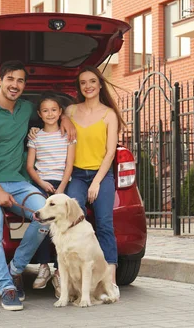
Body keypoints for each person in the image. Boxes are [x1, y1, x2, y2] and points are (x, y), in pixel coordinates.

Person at [0, 60, 75, 311]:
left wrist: (66, 119)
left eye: (20, 81)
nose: (15, 85)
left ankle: (16, 268)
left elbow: (55, 108)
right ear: (0, 81)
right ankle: (6, 286)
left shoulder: (26, 108)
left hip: (18, 181)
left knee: (48, 217)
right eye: (10, 79)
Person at [64, 65, 125, 298]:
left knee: (104, 223)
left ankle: (110, 281)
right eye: (83, 83)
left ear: (100, 84)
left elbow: (110, 153)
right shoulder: (70, 110)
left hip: (101, 175)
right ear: (79, 87)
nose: (88, 86)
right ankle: (69, 277)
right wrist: (63, 120)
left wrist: (97, 182)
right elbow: (56, 119)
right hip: (77, 175)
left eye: (92, 81)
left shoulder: (109, 114)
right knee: (72, 221)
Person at [26, 92, 75, 296]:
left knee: (63, 227)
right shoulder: (36, 137)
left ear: (60, 112)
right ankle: (43, 266)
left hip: (62, 185)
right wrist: (42, 183)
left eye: (54, 110)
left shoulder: (68, 136)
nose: (50, 114)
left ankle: (59, 271)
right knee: (42, 225)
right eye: (45, 111)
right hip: (42, 183)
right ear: (39, 113)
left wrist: (62, 188)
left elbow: (69, 165)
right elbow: (30, 166)